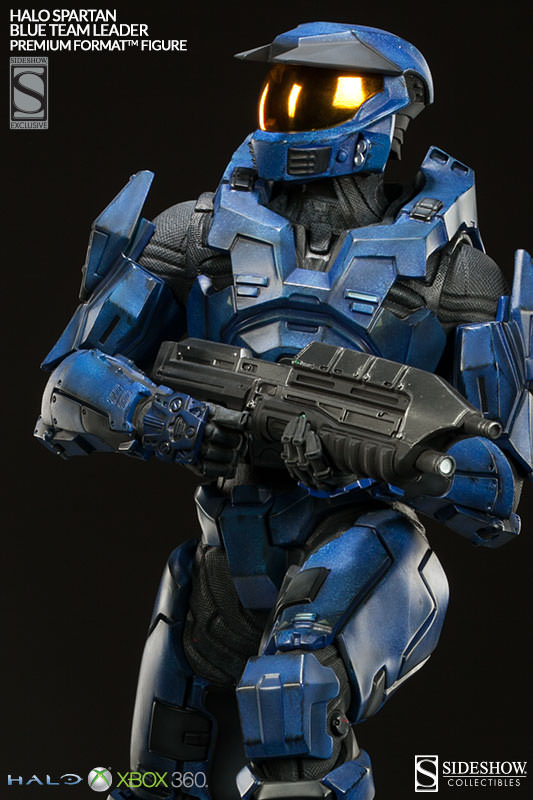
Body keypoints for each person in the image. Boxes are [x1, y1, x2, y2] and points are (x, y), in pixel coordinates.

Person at [35, 22, 531, 800]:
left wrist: (412, 457)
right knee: (155, 780)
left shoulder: (453, 270)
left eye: (326, 90)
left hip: (357, 544)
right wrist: (160, 416)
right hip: (221, 551)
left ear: (388, 113)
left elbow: (497, 487)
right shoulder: (196, 234)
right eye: (284, 88)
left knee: (296, 705)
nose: (295, 108)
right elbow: (69, 385)